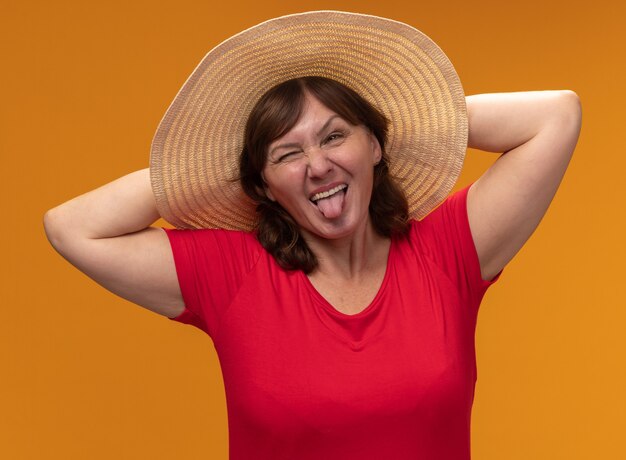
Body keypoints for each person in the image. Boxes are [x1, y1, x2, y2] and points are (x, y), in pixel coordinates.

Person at [43, 11, 581, 460]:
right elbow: (71, 227)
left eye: (335, 136)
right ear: (265, 186)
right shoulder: (232, 273)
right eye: (289, 153)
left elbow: (556, 115)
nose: (318, 166)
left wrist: (401, 117)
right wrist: (208, 173)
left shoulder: (446, 252)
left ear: (374, 146)